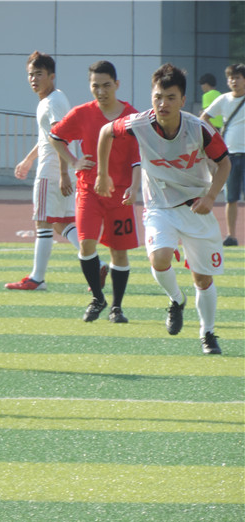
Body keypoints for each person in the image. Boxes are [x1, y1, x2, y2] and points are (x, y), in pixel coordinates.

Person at [96, 63, 231, 355]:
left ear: (183, 100)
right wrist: (102, 174)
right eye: (158, 97)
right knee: (159, 258)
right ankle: (176, 299)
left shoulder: (199, 129)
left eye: (170, 97)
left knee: (203, 279)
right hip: (159, 206)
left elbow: (224, 163)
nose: (163, 103)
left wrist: (211, 197)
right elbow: (106, 131)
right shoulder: (139, 124)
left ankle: (207, 333)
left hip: (196, 207)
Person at [49, 60, 141, 323]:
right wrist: (73, 162)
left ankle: (117, 308)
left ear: (117, 84)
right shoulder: (81, 113)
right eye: (95, 86)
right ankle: (98, 299)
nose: (101, 91)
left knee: (119, 252)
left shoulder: (132, 117)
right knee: (86, 243)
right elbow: (55, 137)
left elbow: (138, 158)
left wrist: (134, 187)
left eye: (106, 85)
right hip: (88, 190)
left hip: (120, 195)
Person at [6, 51, 81, 291]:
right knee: (62, 223)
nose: (34, 79)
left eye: (39, 74)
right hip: (59, 169)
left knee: (43, 222)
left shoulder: (54, 101)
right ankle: (95, 263)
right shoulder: (51, 100)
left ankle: (37, 278)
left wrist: (63, 174)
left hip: (52, 171)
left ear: (52, 76)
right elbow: (48, 138)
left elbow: (61, 137)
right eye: (30, 74)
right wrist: (28, 160)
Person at [201, 63, 245, 247]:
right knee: (230, 198)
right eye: (231, 78)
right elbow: (204, 118)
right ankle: (231, 236)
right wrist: (216, 137)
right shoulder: (224, 99)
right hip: (231, 155)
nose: (234, 81)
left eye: (237, 77)